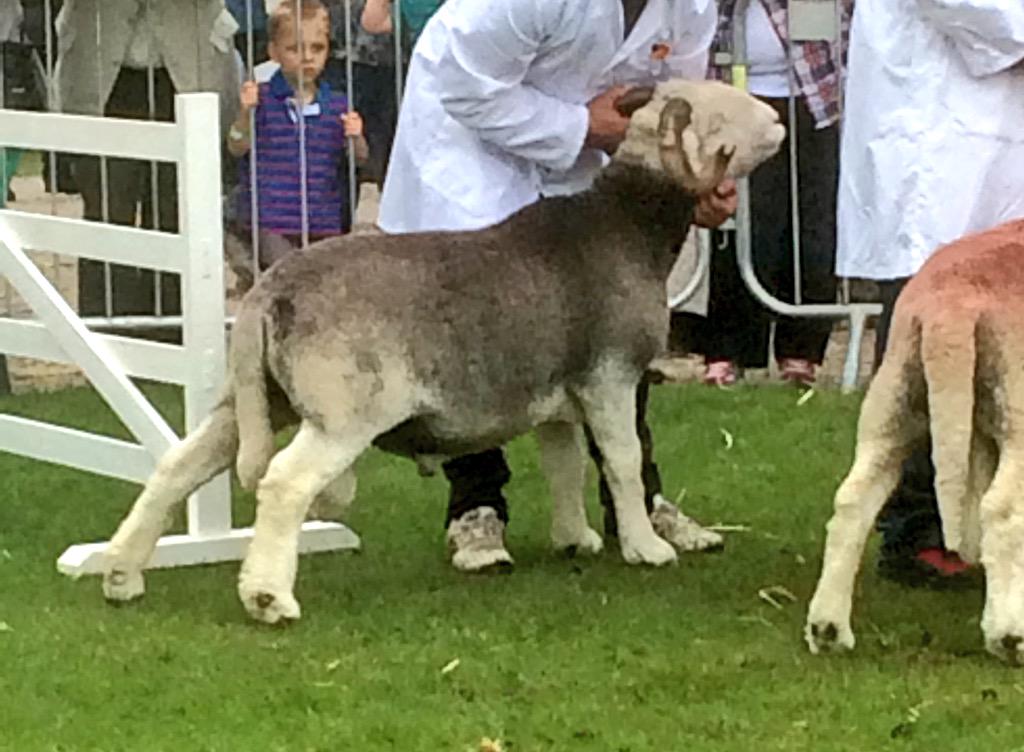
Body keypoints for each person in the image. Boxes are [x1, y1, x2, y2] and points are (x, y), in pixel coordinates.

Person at [378, 0, 736, 572]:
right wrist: (584, 126)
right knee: (482, 318)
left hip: (590, 148)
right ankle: (476, 506)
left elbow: (677, 101)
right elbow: (465, 85)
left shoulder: (692, 5)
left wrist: (693, 186)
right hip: (471, 138)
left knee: (614, 309)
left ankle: (638, 503)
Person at [836, 0, 1024, 586]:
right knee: (931, 355)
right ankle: (921, 528)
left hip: (986, 135)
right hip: (934, 140)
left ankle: (981, 521)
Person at [693, 0, 851, 387]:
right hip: (735, 99)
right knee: (741, 226)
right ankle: (729, 350)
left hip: (814, 98)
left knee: (812, 226)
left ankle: (802, 351)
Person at [54, 0, 240, 320]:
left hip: (190, 68)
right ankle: (107, 334)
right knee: (107, 213)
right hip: (100, 71)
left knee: (178, 213)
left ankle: (177, 331)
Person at [227, 0, 369, 270]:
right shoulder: (263, 98)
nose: (307, 57)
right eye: (294, 49)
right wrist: (245, 113)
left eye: (318, 48)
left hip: (323, 221)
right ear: (273, 52)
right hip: (272, 222)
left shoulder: (338, 104)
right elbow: (236, 146)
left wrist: (356, 137)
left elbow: (359, 160)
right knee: (286, 280)